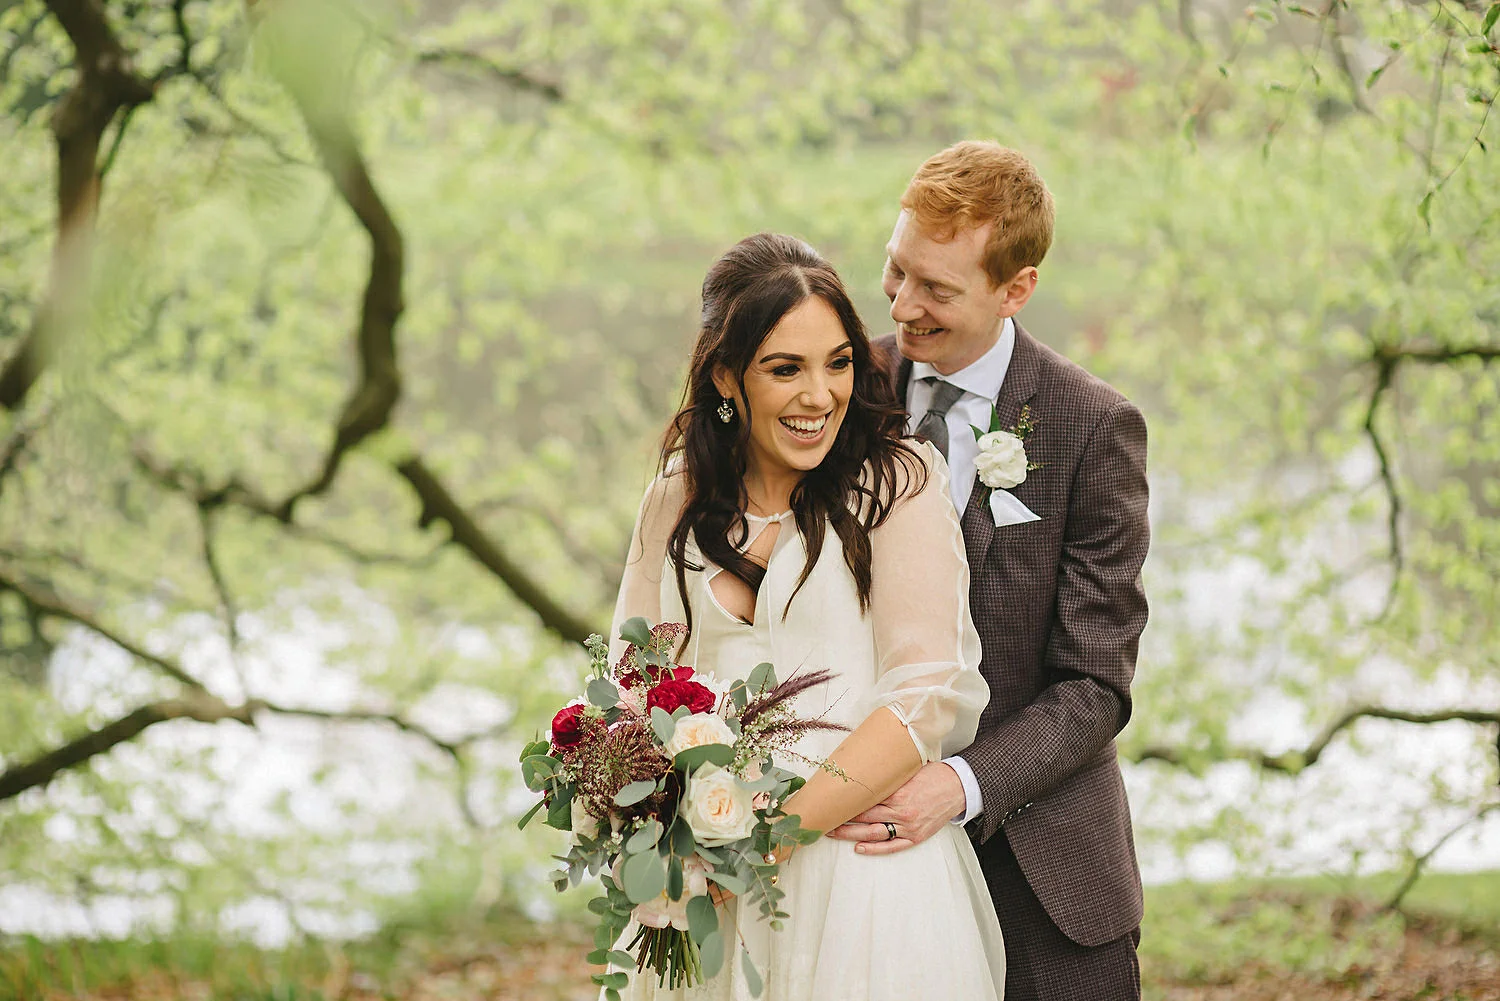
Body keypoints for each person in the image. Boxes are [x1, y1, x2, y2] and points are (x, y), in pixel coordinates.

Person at [610, 232, 1006, 1000]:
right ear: (727, 376)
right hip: (703, 889)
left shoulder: (896, 480)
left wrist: (763, 838)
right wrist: (649, 813)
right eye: (785, 368)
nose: (819, 395)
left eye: (838, 363)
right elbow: (636, 681)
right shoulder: (676, 496)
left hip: (863, 876)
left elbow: (926, 693)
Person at [829, 141, 1151, 1000]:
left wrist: (960, 785)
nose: (901, 304)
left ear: (1017, 289)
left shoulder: (1094, 427)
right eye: (896, 270)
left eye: (936, 288)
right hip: (857, 858)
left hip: (1044, 873)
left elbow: (1095, 685)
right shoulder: (836, 389)